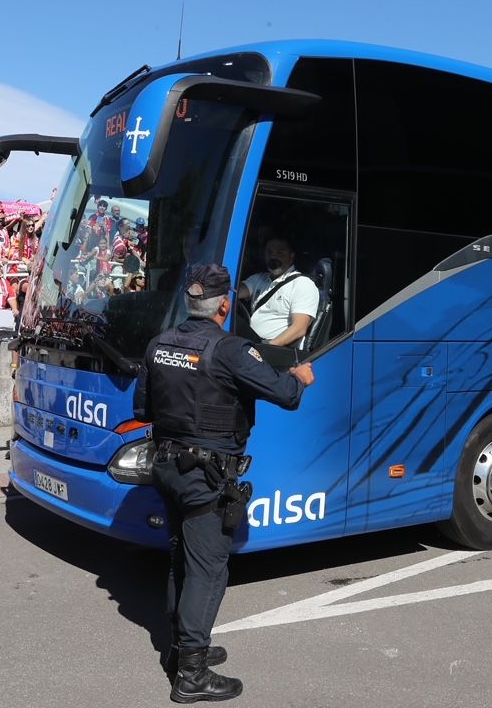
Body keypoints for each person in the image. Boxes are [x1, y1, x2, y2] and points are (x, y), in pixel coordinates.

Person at [133, 264, 315, 702]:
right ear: (224, 305)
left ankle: (182, 649)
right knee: (208, 569)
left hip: (167, 467)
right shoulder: (230, 349)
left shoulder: (160, 344)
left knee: (181, 558)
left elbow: (142, 410)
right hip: (206, 476)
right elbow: (286, 397)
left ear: (188, 303)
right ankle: (191, 675)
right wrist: (300, 378)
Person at [237, 236, 318, 348]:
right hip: (251, 344)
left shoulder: (302, 284)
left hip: (275, 351)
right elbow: (234, 291)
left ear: (291, 256)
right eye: (269, 252)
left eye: (280, 252)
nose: (273, 256)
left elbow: (299, 329)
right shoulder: (259, 279)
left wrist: (267, 347)